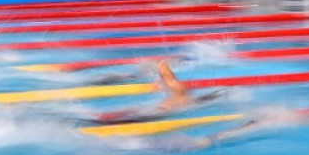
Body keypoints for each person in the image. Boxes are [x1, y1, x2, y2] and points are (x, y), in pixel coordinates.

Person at [92, 60, 224, 124]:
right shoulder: (186, 97)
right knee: (135, 110)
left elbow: (167, 75)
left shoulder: (179, 91)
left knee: (135, 112)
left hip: (162, 111)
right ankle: (108, 117)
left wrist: (158, 65)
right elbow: (168, 77)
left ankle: (107, 118)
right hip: (164, 110)